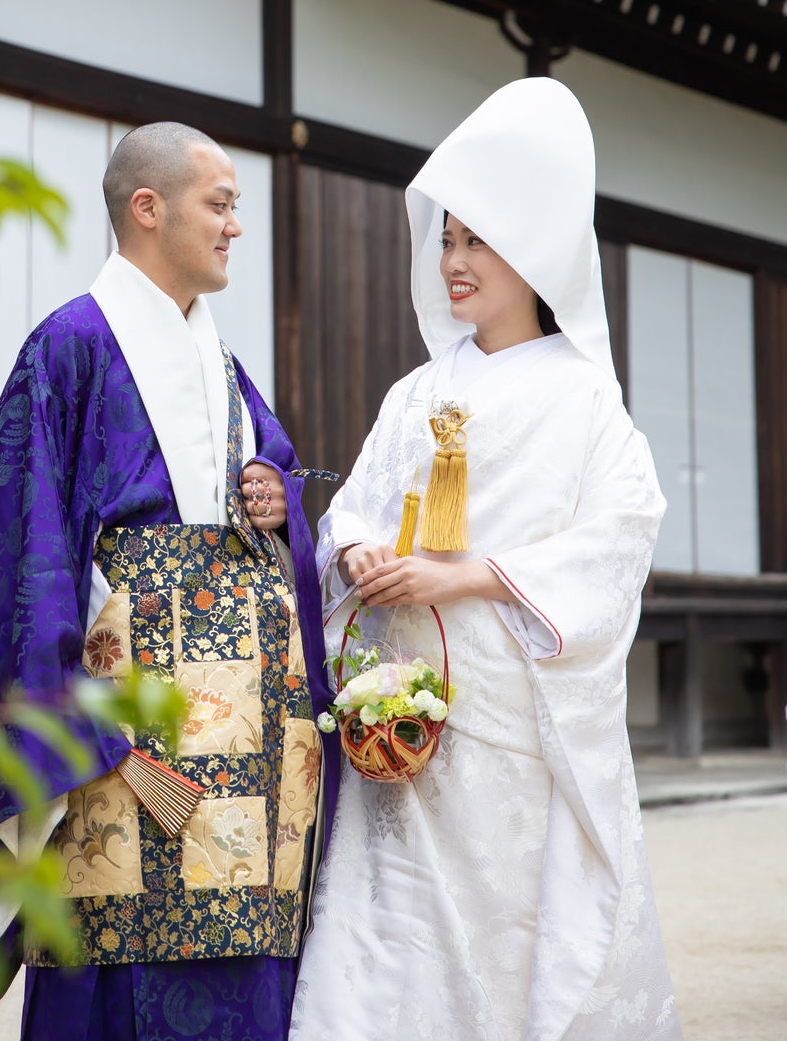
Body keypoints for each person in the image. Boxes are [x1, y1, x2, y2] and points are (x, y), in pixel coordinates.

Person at [0, 121, 338, 1041]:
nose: (234, 228)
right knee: (112, 939)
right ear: (148, 208)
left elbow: (276, 470)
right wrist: (74, 721)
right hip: (128, 736)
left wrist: (274, 496)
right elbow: (23, 553)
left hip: (248, 737)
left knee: (247, 950)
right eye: (219, 204)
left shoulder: (221, 363)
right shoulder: (67, 349)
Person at [290, 78, 681, 1041]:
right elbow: (350, 517)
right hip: (400, 714)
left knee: (502, 937)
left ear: (536, 251)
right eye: (448, 238)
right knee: (384, 932)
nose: (453, 260)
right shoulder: (417, 389)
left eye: (478, 240)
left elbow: (622, 535)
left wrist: (466, 574)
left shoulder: (585, 399)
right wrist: (360, 552)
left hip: (509, 721)